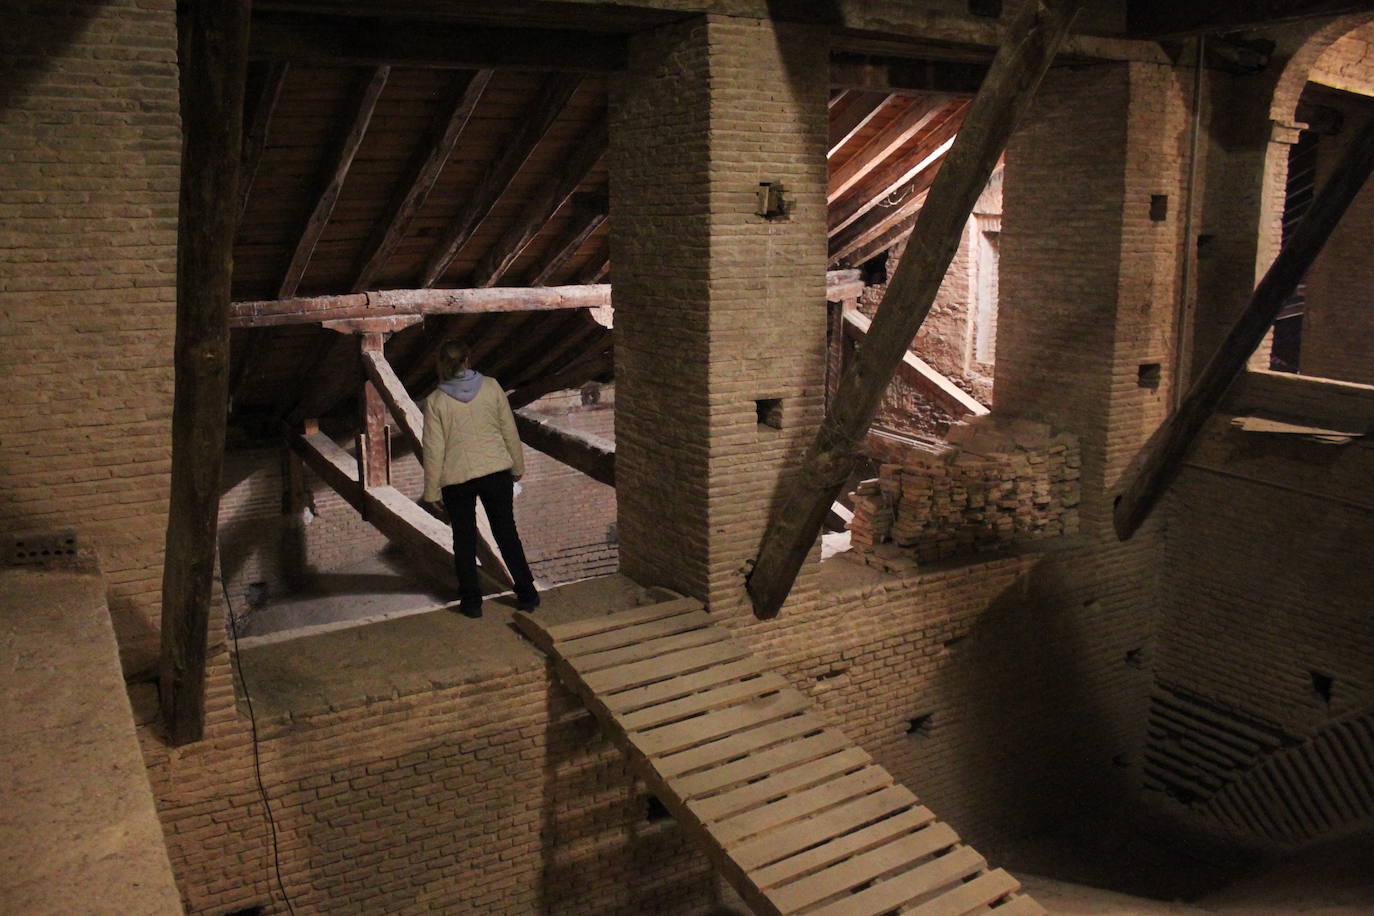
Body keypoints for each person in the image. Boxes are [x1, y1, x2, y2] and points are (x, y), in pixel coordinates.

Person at [420, 340, 538, 618]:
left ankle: (471, 603)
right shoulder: (492, 387)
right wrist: (517, 465)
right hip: (496, 471)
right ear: (468, 359)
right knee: (507, 534)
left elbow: (433, 450)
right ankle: (527, 594)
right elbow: (508, 429)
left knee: (463, 541)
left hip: (457, 479)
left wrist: (432, 492)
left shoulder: (435, 402)